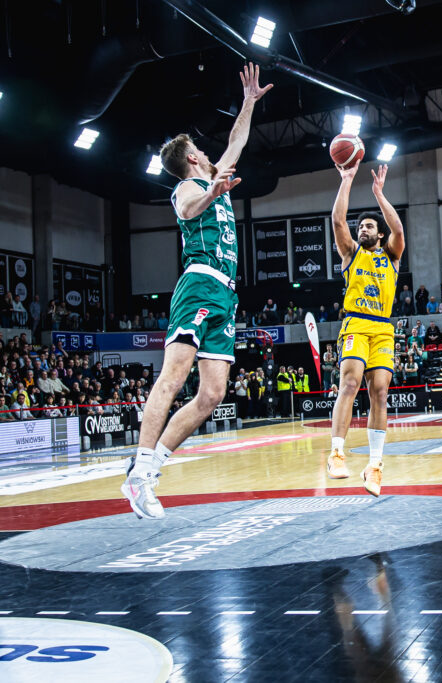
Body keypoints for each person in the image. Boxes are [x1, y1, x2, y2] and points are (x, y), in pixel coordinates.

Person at [120, 63, 271, 520]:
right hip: (199, 284)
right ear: (191, 159)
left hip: (225, 293)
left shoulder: (216, 175)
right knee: (173, 376)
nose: (207, 153)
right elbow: (188, 210)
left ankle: (149, 469)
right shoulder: (189, 185)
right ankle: (139, 472)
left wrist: (248, 103)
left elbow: (237, 142)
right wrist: (212, 191)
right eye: (200, 150)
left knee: (212, 394)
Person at [325, 159, 405, 497]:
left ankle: (374, 466)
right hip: (356, 322)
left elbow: (399, 230)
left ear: (379, 233)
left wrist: (379, 194)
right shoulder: (351, 254)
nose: (363, 230)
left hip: (383, 328)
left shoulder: (392, 256)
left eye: (369, 226)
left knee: (380, 393)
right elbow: (337, 220)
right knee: (350, 383)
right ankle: (336, 454)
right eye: (361, 227)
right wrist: (347, 179)